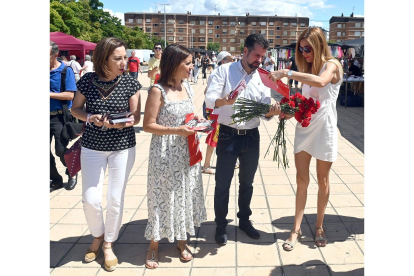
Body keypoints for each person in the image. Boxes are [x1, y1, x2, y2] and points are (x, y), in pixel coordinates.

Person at [268, 26, 344, 251]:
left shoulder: (333, 65)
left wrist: (286, 72)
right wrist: (286, 112)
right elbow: (305, 105)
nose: (304, 53)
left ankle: (319, 226)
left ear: (319, 45)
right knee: (302, 181)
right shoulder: (308, 70)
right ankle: (296, 229)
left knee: (323, 180)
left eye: (308, 48)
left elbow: (321, 83)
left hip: (325, 130)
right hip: (305, 128)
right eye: (301, 50)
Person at [71, 37, 142, 271]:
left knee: (115, 198)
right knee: (90, 199)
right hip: (92, 146)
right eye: (118, 58)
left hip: (122, 146)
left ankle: (108, 243)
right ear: (104, 58)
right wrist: (90, 117)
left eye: (125, 58)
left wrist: (124, 122)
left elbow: (136, 116)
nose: (124, 62)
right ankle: (98, 235)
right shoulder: (87, 81)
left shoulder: (130, 83)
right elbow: (76, 109)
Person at [205, 33, 281, 246]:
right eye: (256, 55)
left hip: (252, 137)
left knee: (247, 183)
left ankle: (244, 220)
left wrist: (274, 111)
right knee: (222, 184)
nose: (259, 60)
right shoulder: (224, 71)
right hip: (228, 135)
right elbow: (210, 100)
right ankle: (220, 225)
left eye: (263, 56)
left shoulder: (262, 77)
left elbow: (264, 109)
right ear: (245, 51)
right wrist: (225, 100)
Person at [143, 44, 207, 269]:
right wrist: (177, 130)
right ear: (173, 64)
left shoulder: (188, 87)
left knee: (183, 195)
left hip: (187, 150)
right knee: (161, 196)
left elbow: (187, 115)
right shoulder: (157, 90)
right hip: (165, 152)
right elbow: (148, 125)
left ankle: (181, 240)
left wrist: (196, 121)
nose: (192, 67)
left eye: (192, 63)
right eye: (187, 63)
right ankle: (154, 245)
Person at [50, 41, 78, 191]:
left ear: (55, 55)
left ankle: (71, 173)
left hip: (59, 117)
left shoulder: (65, 71)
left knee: (60, 150)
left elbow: (69, 95)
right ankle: (56, 179)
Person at [201, 51, 233, 174]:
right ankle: (206, 165)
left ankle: (229, 161)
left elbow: (206, 91)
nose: (232, 62)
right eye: (229, 60)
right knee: (213, 137)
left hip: (218, 109)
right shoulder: (218, 73)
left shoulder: (221, 72)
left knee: (221, 136)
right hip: (216, 110)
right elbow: (209, 94)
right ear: (222, 61)